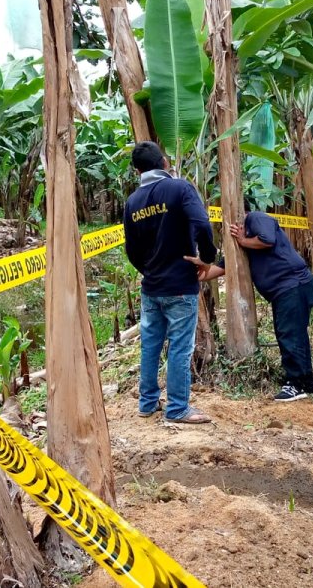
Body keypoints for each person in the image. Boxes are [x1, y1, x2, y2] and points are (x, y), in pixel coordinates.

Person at [123, 141, 216, 424]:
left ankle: (147, 403)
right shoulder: (179, 188)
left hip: (151, 287)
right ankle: (177, 408)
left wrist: (148, 270)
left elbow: (131, 250)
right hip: (180, 284)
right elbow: (202, 224)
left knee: (150, 346)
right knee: (180, 347)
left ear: (137, 171)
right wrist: (207, 258)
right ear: (164, 162)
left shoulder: (132, 202)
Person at [185, 204, 313, 402]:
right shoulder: (243, 243)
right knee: (293, 334)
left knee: (289, 334)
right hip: (287, 290)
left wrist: (243, 240)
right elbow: (220, 269)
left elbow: (268, 239)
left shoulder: (255, 218)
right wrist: (195, 270)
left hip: (293, 285)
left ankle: (296, 384)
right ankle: (304, 382)